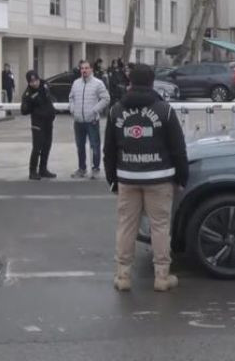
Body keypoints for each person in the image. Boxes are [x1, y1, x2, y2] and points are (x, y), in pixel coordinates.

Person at [103, 64, 189, 293]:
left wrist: (112, 179)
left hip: (127, 177)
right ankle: (162, 276)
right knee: (160, 227)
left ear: (130, 82)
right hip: (159, 178)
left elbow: (109, 150)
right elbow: (178, 148)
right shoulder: (164, 110)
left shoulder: (116, 110)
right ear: (152, 83)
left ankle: (123, 275)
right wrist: (182, 176)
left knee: (126, 226)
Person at [69, 60, 110, 180]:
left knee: (95, 146)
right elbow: (71, 97)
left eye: (87, 68)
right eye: (82, 68)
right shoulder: (76, 83)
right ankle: (82, 169)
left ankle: (95, 168)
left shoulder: (98, 83)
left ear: (91, 69)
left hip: (92, 121)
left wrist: (95, 110)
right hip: (78, 121)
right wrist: (73, 109)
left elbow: (106, 98)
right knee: (80, 146)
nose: (84, 70)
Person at [21, 70, 57, 180]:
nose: (35, 83)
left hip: (48, 122)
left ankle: (43, 169)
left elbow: (49, 97)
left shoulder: (44, 84)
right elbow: (23, 111)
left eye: (35, 80)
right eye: (32, 82)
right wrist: (31, 104)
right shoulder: (28, 94)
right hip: (38, 123)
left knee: (47, 146)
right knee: (37, 148)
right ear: (28, 82)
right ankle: (32, 171)